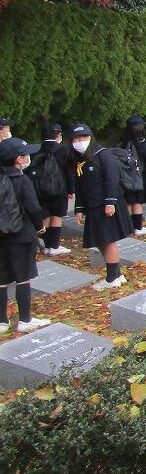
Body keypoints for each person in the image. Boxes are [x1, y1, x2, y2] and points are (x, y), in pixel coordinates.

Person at [68, 124, 132, 290]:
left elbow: (112, 179)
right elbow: (80, 185)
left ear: (91, 138)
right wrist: (80, 209)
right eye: (76, 139)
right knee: (100, 241)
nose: (79, 141)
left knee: (107, 239)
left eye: (83, 138)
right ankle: (116, 274)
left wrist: (110, 202)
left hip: (106, 205)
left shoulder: (103, 155)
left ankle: (112, 277)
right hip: (92, 206)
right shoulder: (78, 160)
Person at [1, 136, 51, 333]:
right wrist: (39, 226)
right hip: (21, 233)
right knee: (23, 277)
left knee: (2, 278)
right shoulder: (22, 180)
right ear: (18, 159)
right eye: (25, 154)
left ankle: (2, 322)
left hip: (1, 234)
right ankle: (25, 319)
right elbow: (33, 207)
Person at [28, 123, 71, 256]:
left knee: (45, 216)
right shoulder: (64, 150)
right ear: (58, 135)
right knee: (57, 216)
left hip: (40, 189)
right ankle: (54, 246)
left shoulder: (36, 150)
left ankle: (45, 246)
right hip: (59, 188)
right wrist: (71, 189)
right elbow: (69, 171)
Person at [119, 115, 146, 236]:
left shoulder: (123, 142)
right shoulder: (143, 142)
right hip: (140, 176)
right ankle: (138, 228)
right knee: (138, 202)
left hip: (125, 177)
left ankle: (128, 228)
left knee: (129, 202)